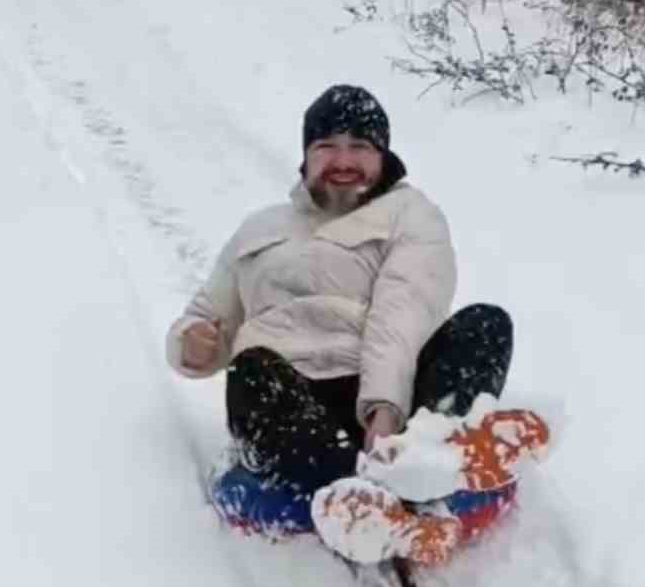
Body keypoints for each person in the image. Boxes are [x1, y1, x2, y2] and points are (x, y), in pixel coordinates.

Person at [166, 84, 516, 522]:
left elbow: (403, 311)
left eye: (360, 147)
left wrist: (384, 411)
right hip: (295, 397)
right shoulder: (260, 227)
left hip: (392, 392)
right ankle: (348, 488)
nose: (344, 161)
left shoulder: (409, 213)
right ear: (306, 156)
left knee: (485, 324)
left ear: (383, 155)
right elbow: (207, 316)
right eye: (327, 146)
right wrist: (192, 343)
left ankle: (430, 457)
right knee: (252, 368)